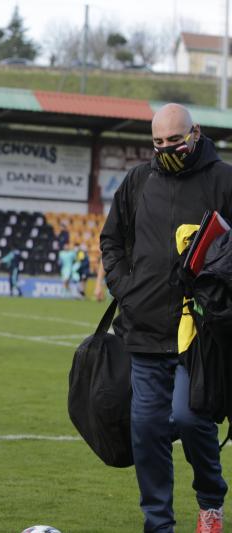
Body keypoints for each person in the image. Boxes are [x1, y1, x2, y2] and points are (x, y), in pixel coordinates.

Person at [101, 103, 232, 533]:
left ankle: (211, 500)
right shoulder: (138, 180)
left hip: (201, 334)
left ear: (195, 133)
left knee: (192, 418)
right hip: (144, 331)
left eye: (173, 141)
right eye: (157, 143)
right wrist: (125, 289)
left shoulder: (224, 180)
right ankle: (158, 524)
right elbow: (111, 240)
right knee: (147, 428)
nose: (165, 149)